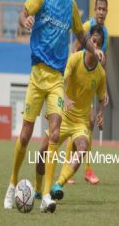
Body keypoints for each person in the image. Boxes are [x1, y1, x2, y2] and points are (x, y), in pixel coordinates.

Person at [3, 0, 104, 213]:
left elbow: (82, 36)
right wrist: (25, 21)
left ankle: (46, 194)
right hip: (38, 76)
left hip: (57, 79)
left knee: (56, 132)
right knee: (25, 136)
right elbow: (22, 13)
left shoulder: (70, 4)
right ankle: (13, 183)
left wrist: (94, 50)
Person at [34, 25, 106, 200]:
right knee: (42, 151)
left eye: (98, 43)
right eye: (93, 41)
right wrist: (65, 98)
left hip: (80, 122)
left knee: (82, 149)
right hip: (64, 116)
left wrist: (100, 113)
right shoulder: (74, 59)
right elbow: (62, 79)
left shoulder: (100, 74)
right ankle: (37, 189)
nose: (94, 45)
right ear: (88, 41)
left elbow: (102, 97)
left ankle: (58, 184)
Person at [67, 0, 109, 184]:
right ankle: (77, 168)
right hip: (78, 81)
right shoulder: (86, 27)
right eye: (99, 8)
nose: (101, 12)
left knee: (89, 123)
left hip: (91, 82)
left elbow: (102, 62)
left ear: (107, 12)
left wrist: (104, 89)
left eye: (104, 9)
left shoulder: (105, 33)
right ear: (94, 9)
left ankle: (87, 169)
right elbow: (76, 50)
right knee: (78, 123)